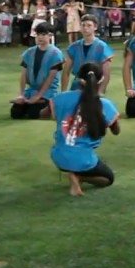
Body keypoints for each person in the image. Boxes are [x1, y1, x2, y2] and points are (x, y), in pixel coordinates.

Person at [49, 62, 121, 196]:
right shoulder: (105, 104)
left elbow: (46, 113)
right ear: (101, 80)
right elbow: (116, 131)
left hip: (59, 156)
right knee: (108, 179)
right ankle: (78, 177)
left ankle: (72, 173)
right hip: (83, 159)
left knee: (77, 155)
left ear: (79, 80)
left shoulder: (61, 98)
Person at [11, 23, 64, 120]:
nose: (40, 37)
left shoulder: (56, 54)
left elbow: (50, 79)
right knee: (16, 113)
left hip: (48, 91)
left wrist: (38, 96)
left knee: (34, 113)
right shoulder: (29, 52)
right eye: (38, 34)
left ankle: (50, 106)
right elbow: (23, 75)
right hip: (32, 90)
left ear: (50, 35)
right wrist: (21, 94)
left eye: (43, 35)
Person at [62, 16, 113, 93]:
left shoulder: (102, 47)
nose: (85, 28)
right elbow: (66, 72)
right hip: (77, 86)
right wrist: (63, 92)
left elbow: (106, 75)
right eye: (83, 25)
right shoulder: (74, 47)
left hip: (95, 85)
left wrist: (100, 92)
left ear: (95, 27)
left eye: (89, 25)